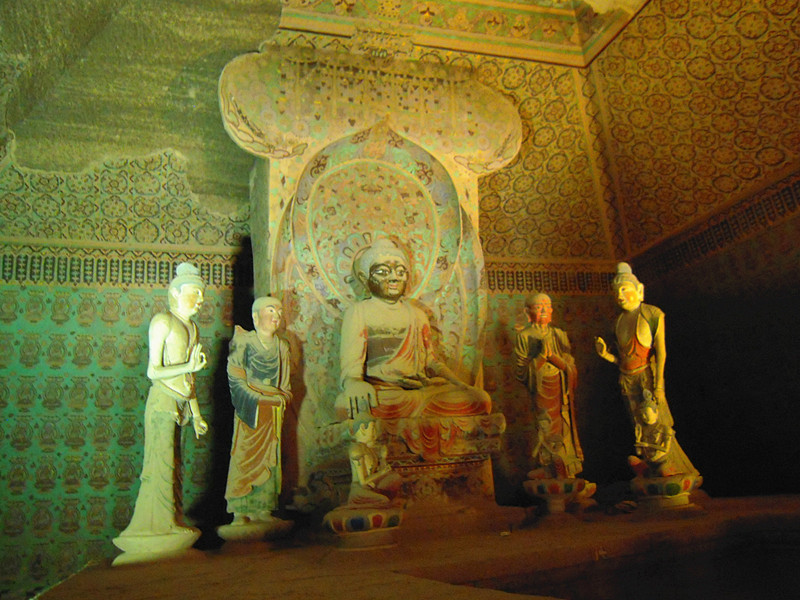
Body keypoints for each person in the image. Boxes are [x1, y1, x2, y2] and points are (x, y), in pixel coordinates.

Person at [335, 237, 491, 421]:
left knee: (480, 399)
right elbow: (351, 367)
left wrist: (460, 384)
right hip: (383, 392)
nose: (394, 278)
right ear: (364, 278)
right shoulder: (359, 312)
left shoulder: (417, 315)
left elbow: (431, 362)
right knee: (345, 404)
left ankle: (406, 417)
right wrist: (353, 383)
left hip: (419, 390)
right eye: (383, 272)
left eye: (401, 272)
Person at [114, 262, 208, 551]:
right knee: (162, 463)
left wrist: (196, 414)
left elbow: (189, 378)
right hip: (162, 402)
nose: (201, 299)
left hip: (180, 405)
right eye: (195, 292)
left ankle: (170, 519)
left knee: (175, 466)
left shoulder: (192, 328)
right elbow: (153, 371)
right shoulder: (163, 321)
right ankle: (162, 524)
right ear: (176, 293)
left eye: (202, 294)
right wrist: (188, 367)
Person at [595, 262, 698, 478]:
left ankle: (671, 466)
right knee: (639, 425)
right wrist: (606, 355)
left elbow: (661, 352)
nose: (620, 296)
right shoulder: (618, 322)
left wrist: (659, 386)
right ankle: (651, 466)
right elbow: (622, 360)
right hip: (627, 379)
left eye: (625, 289)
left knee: (656, 422)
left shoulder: (651, 314)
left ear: (639, 290)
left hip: (647, 376)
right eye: (616, 292)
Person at [224, 296, 291, 524]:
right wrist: (259, 399)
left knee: (269, 458)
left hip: (272, 414)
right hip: (250, 409)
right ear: (255, 316)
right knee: (243, 456)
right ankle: (239, 510)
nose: (276, 316)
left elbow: (285, 387)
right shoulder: (243, 342)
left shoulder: (282, 347)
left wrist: (279, 400)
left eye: (279, 312)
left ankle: (264, 509)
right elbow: (235, 378)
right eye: (271, 311)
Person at [514, 293, 583, 479]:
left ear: (552, 310)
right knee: (544, 425)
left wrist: (552, 357)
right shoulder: (524, 336)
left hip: (561, 390)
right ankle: (548, 467)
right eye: (538, 307)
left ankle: (567, 467)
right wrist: (541, 358)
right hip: (540, 391)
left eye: (547, 306)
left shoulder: (559, 334)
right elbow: (521, 372)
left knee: (564, 425)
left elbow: (570, 367)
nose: (544, 310)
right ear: (527, 312)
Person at [345, 417, 403, 508]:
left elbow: (377, 471)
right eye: (373, 428)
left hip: (371, 487)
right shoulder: (356, 449)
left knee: (395, 478)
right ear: (362, 428)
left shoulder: (368, 448)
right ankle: (358, 506)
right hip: (360, 489)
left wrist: (383, 458)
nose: (375, 433)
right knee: (384, 500)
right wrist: (381, 473)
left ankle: (384, 500)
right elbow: (363, 482)